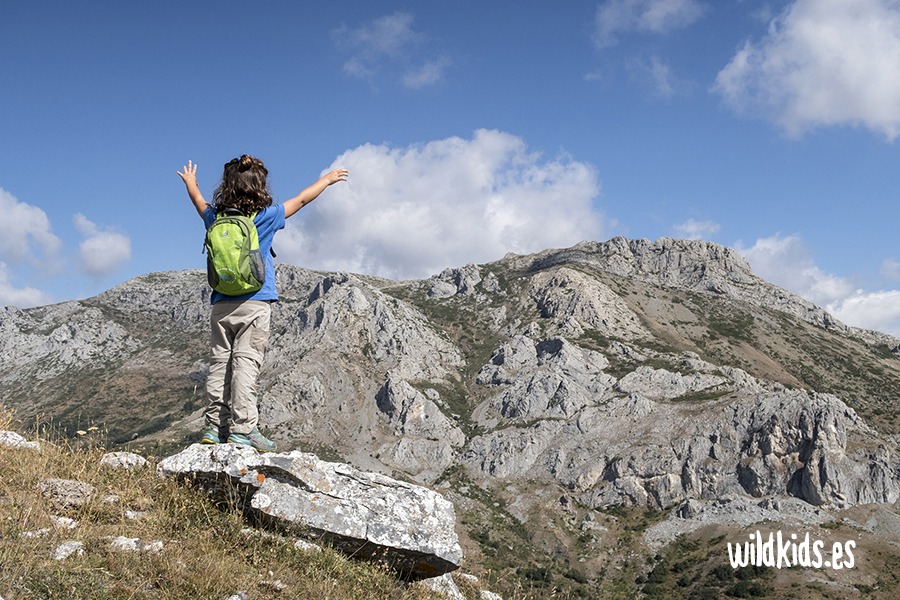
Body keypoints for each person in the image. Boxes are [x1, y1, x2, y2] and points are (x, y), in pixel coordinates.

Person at [177, 155, 348, 451]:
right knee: (246, 365)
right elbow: (302, 201)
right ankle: (243, 430)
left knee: (220, 364)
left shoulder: (216, 218)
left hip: (220, 305)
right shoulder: (266, 216)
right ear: (260, 185)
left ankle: (214, 427)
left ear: (226, 186)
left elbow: (199, 204)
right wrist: (328, 180)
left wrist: (191, 183)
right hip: (255, 303)